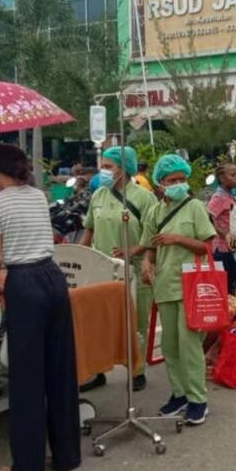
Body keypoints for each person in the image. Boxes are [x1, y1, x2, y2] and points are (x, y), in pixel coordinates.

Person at [0, 144, 80, 471]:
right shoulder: (37, 195)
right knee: (60, 369)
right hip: (53, 278)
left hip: (23, 282)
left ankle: (27, 467)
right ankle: (67, 456)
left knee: (27, 380)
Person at [140, 154, 217, 426]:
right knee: (170, 346)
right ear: (160, 183)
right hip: (164, 285)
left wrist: (178, 239)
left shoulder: (194, 207)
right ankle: (179, 394)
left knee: (190, 345)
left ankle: (198, 400)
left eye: (182, 179)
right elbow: (150, 245)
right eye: (172, 180)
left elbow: (207, 246)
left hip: (191, 286)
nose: (178, 184)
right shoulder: (154, 212)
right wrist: (147, 263)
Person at [80, 146, 157, 392]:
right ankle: (97, 370)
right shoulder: (98, 196)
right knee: (98, 322)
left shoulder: (144, 198)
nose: (104, 171)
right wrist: (80, 256)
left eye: (109, 166)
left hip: (133, 269)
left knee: (136, 321)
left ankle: (137, 371)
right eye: (103, 166)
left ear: (125, 168)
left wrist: (135, 252)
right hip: (101, 270)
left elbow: (152, 234)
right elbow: (89, 229)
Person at [207, 162, 236, 301]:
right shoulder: (218, 198)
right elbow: (208, 217)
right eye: (233, 175)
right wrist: (224, 234)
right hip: (223, 251)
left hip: (235, 250)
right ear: (222, 178)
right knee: (227, 289)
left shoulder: (231, 196)